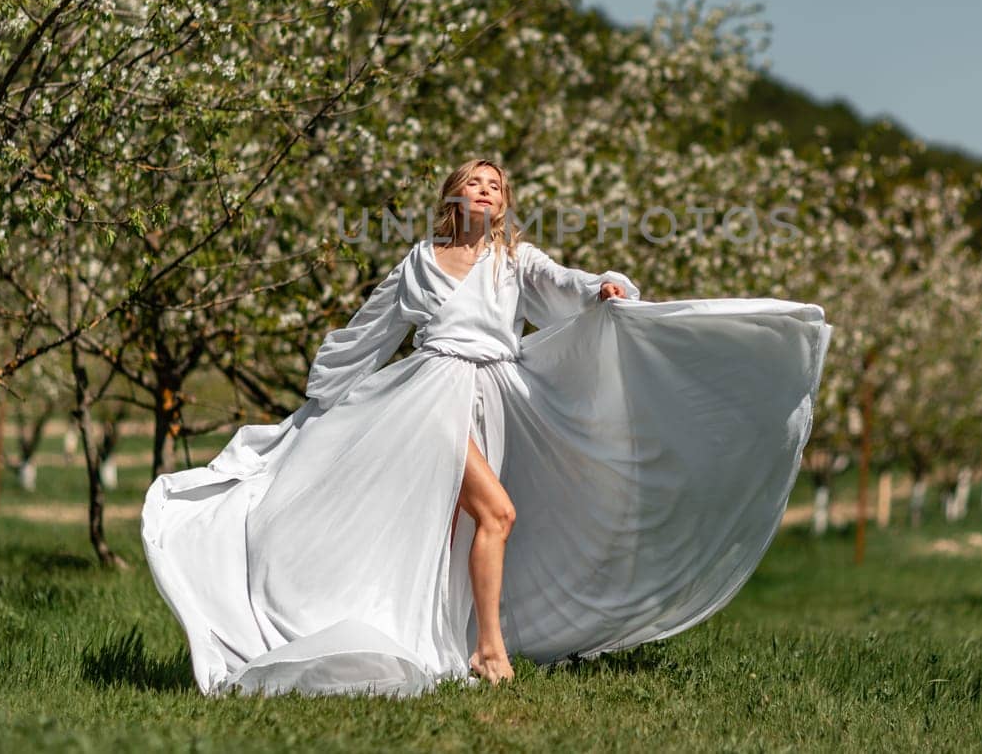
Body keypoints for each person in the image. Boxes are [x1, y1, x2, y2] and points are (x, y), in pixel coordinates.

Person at [141, 157, 833, 697]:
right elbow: (373, 331)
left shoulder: (514, 262)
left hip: (494, 395)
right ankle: (489, 650)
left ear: (503, 205)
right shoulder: (418, 260)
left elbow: (565, 286)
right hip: (426, 401)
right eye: (473, 181)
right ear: (453, 196)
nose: (485, 190)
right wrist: (319, 403)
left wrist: (604, 287)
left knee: (461, 527)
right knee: (496, 512)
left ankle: (441, 636)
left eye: (495, 185)